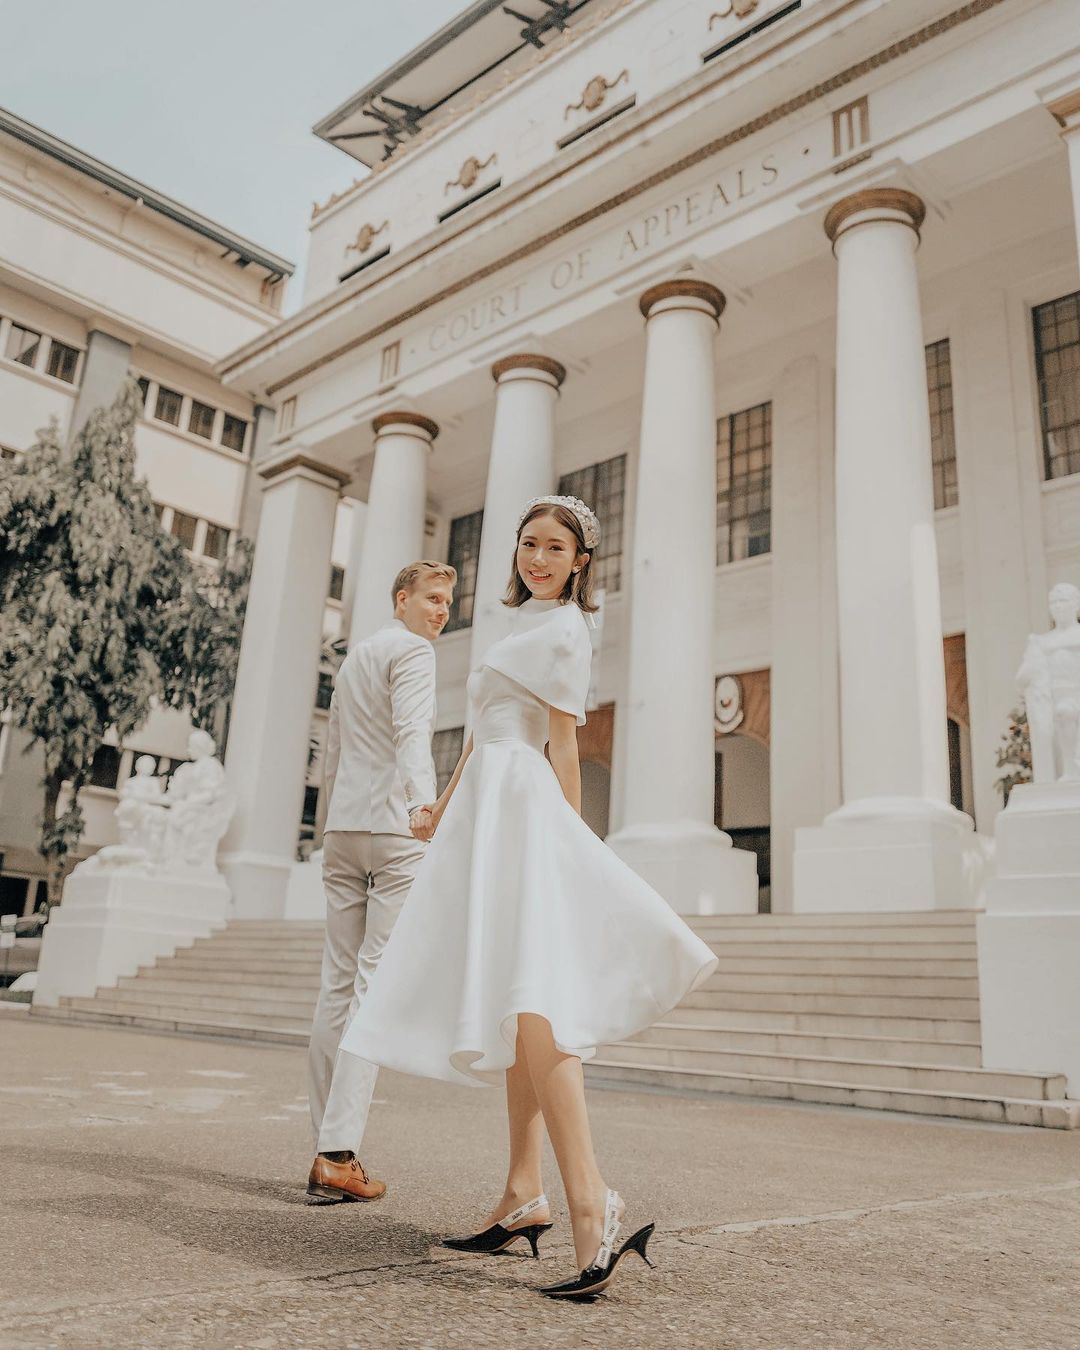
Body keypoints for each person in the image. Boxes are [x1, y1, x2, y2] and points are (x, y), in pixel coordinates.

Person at [337, 496, 718, 1298]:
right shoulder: (516, 627)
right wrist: (444, 801)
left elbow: (562, 743)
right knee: (514, 1001)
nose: (538, 558)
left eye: (556, 548)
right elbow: (480, 730)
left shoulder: (568, 630)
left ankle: (591, 1201)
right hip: (485, 806)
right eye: (528, 544)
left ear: (581, 560)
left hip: (524, 809)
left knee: (537, 1003)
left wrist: (569, 847)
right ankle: (522, 1193)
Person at [306, 560, 456, 1203]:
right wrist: (425, 806)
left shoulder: (356, 657)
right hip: (395, 833)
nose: (440, 610)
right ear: (402, 599)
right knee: (369, 986)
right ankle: (338, 1154)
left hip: (343, 829)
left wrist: (322, 826)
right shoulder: (414, 653)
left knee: (336, 986)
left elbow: (334, 750)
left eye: (448, 601)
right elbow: (412, 734)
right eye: (431, 598)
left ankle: (326, 1149)